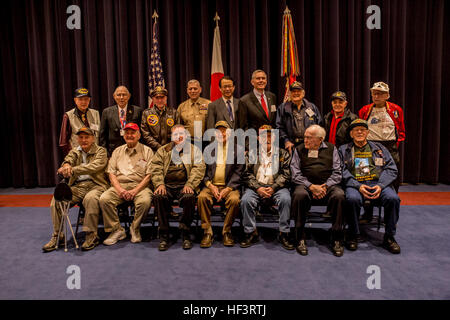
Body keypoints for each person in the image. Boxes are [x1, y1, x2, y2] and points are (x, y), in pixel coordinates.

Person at [339, 119, 401, 254]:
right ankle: (353, 234)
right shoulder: (344, 149)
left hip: (378, 183)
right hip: (355, 185)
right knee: (352, 199)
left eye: (362, 129)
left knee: (393, 199)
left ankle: (389, 237)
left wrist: (380, 185)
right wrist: (358, 185)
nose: (359, 132)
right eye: (356, 130)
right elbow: (341, 170)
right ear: (351, 134)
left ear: (367, 132)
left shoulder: (379, 149)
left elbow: (391, 169)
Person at [43, 127, 108, 252]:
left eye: (87, 137)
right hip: (78, 186)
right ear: (77, 139)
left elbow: (94, 167)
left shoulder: (101, 151)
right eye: (81, 137)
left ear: (93, 138)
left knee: (91, 199)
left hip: (97, 185)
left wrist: (73, 169)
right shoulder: (75, 151)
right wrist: (66, 165)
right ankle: (58, 236)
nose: (84, 140)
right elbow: (68, 160)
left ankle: (91, 236)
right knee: (57, 200)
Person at [290, 125, 345, 257]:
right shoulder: (299, 149)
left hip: (327, 185)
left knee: (339, 195)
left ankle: (336, 237)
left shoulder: (332, 149)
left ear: (320, 139)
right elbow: (295, 174)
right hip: (305, 185)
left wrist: (324, 186)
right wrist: (311, 186)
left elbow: (337, 173)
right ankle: (300, 237)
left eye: (309, 138)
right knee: (299, 195)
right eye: (305, 137)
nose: (305, 140)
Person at [150, 124, 206, 251]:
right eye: (175, 134)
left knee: (189, 197)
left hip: (185, 185)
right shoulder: (163, 150)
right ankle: (164, 234)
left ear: (186, 136)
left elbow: (199, 168)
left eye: (181, 134)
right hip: (167, 186)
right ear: (171, 137)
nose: (179, 137)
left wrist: (190, 184)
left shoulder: (194, 150)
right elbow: (156, 168)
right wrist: (159, 184)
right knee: (158, 196)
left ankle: (185, 231)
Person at [240, 125, 294, 250]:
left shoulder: (283, 153)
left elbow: (286, 174)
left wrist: (274, 187)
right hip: (256, 187)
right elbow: (246, 174)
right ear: (259, 138)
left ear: (274, 137)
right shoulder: (252, 153)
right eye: (264, 136)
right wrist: (258, 188)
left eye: (270, 135)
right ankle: (251, 232)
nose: (267, 138)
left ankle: (284, 233)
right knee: (245, 200)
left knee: (286, 199)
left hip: (277, 187)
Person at [99, 123, 153, 246]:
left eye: (132, 133)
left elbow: (149, 175)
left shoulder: (147, 151)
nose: (129, 135)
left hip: (140, 186)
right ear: (124, 136)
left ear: (139, 135)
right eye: (127, 133)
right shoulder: (117, 151)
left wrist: (135, 190)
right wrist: (119, 189)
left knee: (145, 201)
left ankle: (135, 228)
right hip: (120, 185)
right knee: (104, 199)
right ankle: (117, 230)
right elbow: (111, 173)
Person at [197, 121, 245, 247]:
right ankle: (207, 232)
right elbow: (203, 171)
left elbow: (239, 173)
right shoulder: (208, 149)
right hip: (211, 185)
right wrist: (210, 185)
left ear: (229, 133)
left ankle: (226, 231)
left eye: (224, 131)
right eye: (218, 131)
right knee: (202, 198)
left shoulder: (238, 150)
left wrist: (228, 188)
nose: (221, 133)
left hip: (229, 186)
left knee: (234, 200)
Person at [359, 82, 405, 192]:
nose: (376, 96)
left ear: (387, 96)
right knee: (364, 173)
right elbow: (359, 129)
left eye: (379, 94)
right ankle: (366, 201)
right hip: (370, 145)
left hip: (390, 146)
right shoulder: (365, 110)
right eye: (374, 94)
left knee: (393, 173)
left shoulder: (396, 110)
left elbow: (401, 130)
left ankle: (393, 197)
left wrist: (395, 145)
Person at [276, 81, 323, 154]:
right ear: (289, 94)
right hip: (291, 146)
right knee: (293, 165)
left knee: (310, 165)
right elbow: (278, 127)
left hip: (310, 145)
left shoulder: (312, 107)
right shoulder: (282, 108)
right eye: (293, 91)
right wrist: (286, 141)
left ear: (303, 93)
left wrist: (314, 141)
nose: (296, 93)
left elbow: (319, 125)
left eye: (298, 91)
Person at [99, 86, 143, 157]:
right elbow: (102, 135)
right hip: (113, 151)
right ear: (114, 96)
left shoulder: (137, 111)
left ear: (129, 96)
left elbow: (141, 133)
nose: (121, 97)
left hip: (134, 149)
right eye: (118, 95)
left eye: (124, 95)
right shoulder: (107, 112)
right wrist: (105, 154)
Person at [59, 88, 100, 156]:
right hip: (78, 156)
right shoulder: (68, 115)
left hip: (94, 156)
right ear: (75, 100)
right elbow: (63, 142)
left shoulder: (95, 113)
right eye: (80, 99)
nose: (83, 102)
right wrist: (72, 156)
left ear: (89, 100)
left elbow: (99, 136)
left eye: (86, 99)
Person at [141, 86, 179, 152]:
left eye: (162, 97)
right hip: (153, 150)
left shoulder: (174, 113)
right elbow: (146, 134)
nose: (160, 100)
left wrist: (170, 146)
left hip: (171, 150)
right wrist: (158, 147)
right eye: (157, 98)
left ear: (166, 98)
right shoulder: (147, 114)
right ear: (153, 99)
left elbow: (178, 132)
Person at [177, 80, 211, 144]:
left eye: (195, 89)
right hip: (188, 141)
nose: (193, 91)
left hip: (205, 141)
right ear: (187, 90)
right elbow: (178, 126)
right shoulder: (182, 107)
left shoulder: (209, 104)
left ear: (200, 90)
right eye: (190, 89)